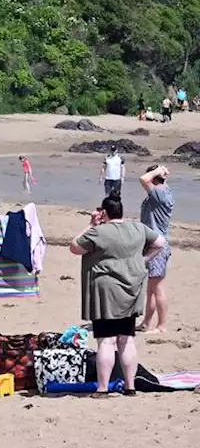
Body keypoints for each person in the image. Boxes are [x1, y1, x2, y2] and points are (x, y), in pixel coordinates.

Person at [69, 196, 166, 394]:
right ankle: (130, 387)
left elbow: (75, 247)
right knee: (126, 338)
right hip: (131, 288)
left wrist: (91, 224)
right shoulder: (138, 228)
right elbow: (160, 242)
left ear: (104, 212)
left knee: (106, 339)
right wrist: (143, 259)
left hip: (105, 290)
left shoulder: (98, 232)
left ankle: (103, 388)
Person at [138, 165, 175, 333]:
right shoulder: (164, 191)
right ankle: (146, 323)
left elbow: (143, 179)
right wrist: (163, 175)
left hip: (157, 246)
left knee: (157, 287)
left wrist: (158, 172)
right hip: (154, 243)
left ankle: (162, 326)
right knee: (151, 288)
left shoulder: (160, 193)